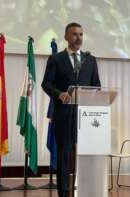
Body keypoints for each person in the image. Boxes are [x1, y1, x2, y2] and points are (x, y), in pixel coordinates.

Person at [41, 22, 101, 197]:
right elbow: (47, 83)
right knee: (64, 155)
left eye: (81, 34)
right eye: (74, 34)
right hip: (64, 115)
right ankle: (64, 192)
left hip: (86, 116)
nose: (78, 38)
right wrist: (59, 94)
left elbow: (96, 85)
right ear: (66, 36)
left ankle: (85, 189)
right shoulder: (56, 59)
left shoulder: (90, 60)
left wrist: (92, 94)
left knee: (86, 156)